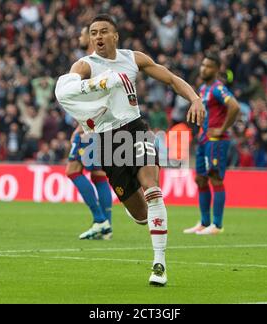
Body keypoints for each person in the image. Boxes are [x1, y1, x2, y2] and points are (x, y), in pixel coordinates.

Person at [56, 14, 205, 286]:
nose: (98, 37)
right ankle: (137, 207)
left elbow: (171, 79)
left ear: (115, 36)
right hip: (105, 141)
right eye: (93, 33)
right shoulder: (85, 65)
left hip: (135, 128)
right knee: (141, 215)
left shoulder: (133, 58)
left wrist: (195, 98)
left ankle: (159, 264)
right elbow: (66, 88)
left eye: (103, 32)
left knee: (152, 187)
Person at [184, 53, 240, 235]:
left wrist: (222, 129)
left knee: (215, 177)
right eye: (202, 65)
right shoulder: (202, 89)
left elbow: (235, 106)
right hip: (203, 139)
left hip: (216, 140)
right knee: (200, 179)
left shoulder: (218, 88)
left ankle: (217, 225)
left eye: (208, 66)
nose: (203, 69)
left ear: (216, 69)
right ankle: (204, 222)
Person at [65, 27, 113, 240]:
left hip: (92, 127)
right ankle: (106, 227)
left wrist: (84, 126)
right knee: (98, 174)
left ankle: (100, 219)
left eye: (83, 34)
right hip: (104, 125)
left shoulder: (88, 64)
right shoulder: (102, 62)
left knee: (73, 170)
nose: (80, 37)